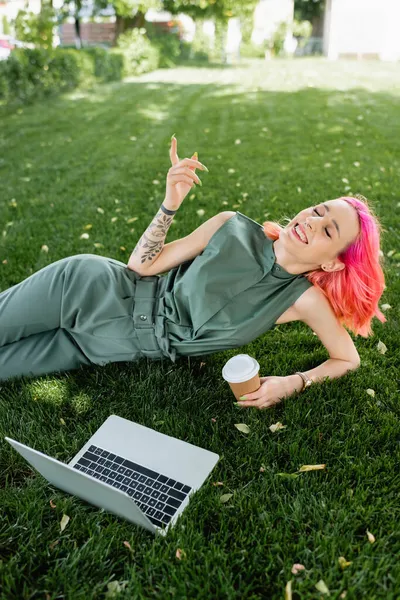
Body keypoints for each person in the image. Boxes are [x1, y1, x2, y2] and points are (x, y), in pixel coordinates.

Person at [0, 136, 387, 410]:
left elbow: (346, 359)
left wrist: (294, 382)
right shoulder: (230, 225)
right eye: (319, 210)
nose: (312, 221)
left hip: (94, 349)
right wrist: (170, 205)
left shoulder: (301, 299)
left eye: (329, 230)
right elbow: (140, 266)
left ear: (334, 262)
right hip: (86, 289)